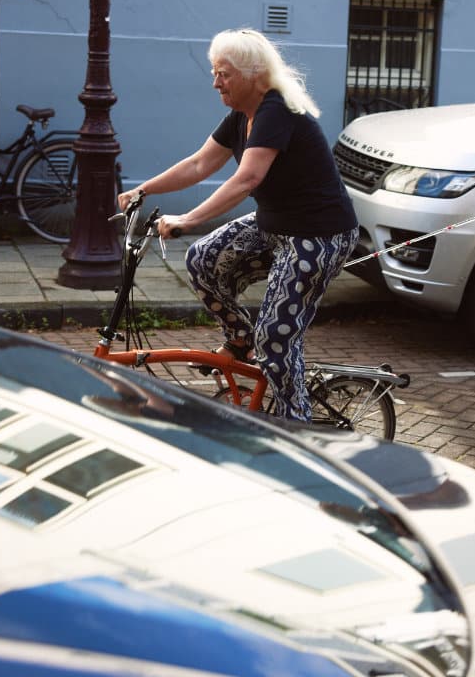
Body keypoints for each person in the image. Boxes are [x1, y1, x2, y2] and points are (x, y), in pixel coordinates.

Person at [116, 28, 359, 423]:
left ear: (252, 73)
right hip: (274, 225)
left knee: (277, 337)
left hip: (318, 234)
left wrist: (188, 219)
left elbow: (247, 179)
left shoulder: (276, 110)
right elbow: (199, 164)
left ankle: (297, 426)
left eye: (223, 73)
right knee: (202, 259)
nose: (215, 82)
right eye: (215, 72)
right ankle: (240, 340)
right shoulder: (241, 117)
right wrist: (142, 191)